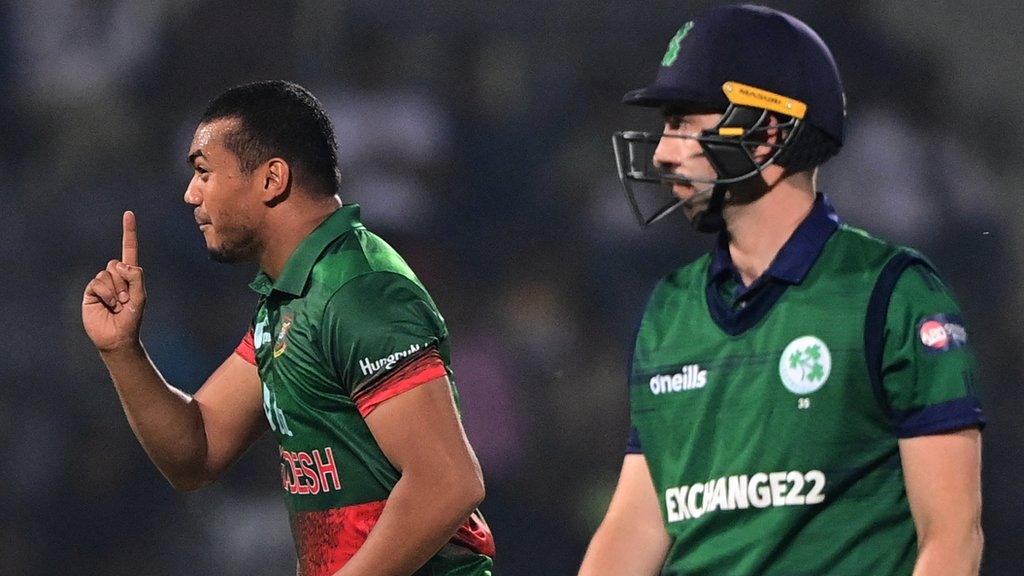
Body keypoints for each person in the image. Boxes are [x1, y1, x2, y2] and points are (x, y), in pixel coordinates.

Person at [579, 5, 983, 575]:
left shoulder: (893, 295)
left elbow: (951, 538)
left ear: (766, 133)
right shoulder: (669, 308)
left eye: (683, 124)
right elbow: (638, 523)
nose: (663, 152)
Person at [82, 80, 495, 576]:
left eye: (204, 172)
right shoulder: (289, 299)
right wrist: (123, 350)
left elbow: (447, 483)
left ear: (272, 178)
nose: (190, 193)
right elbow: (198, 451)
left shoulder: (359, 291)